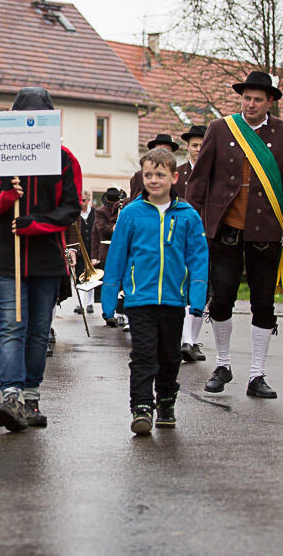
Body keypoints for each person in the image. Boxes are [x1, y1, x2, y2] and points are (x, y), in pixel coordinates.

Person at [186, 71, 283, 399]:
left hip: (267, 230)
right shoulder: (220, 129)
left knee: (263, 303)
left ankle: (257, 374)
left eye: (257, 99)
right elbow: (199, 180)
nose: (250, 104)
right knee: (221, 297)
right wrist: (187, 221)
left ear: (270, 102)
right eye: (246, 98)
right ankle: (222, 364)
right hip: (224, 228)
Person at [0, 87, 81, 432]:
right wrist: (6, 198)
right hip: (7, 257)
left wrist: (37, 224)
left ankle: (31, 398)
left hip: (47, 259)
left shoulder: (65, 159)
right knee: (12, 326)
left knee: (38, 331)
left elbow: (71, 208)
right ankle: (11, 395)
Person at [101, 148, 209, 434]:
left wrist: (197, 299)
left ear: (174, 177)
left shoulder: (188, 216)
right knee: (143, 355)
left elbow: (198, 259)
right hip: (139, 299)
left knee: (170, 357)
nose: (153, 180)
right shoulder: (131, 213)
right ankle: (141, 407)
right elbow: (117, 256)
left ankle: (166, 402)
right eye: (148, 174)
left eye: (160, 174)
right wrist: (108, 299)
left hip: (173, 300)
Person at [177, 125, 207, 362]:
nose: (198, 149)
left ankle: (192, 340)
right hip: (179, 237)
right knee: (181, 287)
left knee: (202, 289)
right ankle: (185, 339)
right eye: (194, 145)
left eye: (202, 145)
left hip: (206, 237)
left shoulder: (215, 173)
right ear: (187, 147)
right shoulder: (178, 174)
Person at [92, 187, 122, 326]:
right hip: (107, 250)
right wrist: (113, 228)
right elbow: (100, 230)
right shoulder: (100, 212)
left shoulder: (123, 210)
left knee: (121, 284)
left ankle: (120, 313)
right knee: (108, 282)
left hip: (121, 249)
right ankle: (108, 313)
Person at [129, 134, 179, 201]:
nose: (162, 154)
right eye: (158, 151)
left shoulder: (179, 173)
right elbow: (133, 199)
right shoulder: (139, 176)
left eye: (166, 151)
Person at [72, 189, 96, 315]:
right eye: (80, 200)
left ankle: (89, 303)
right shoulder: (75, 214)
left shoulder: (94, 213)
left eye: (84, 200)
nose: (81, 203)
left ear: (89, 200)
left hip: (91, 250)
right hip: (80, 251)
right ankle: (80, 303)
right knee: (80, 277)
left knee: (92, 277)